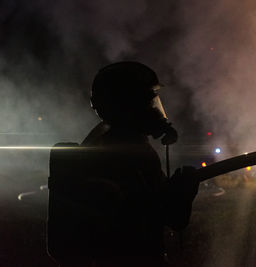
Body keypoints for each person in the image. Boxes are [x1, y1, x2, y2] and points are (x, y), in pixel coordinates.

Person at [47, 61, 199, 267]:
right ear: (130, 106)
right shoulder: (132, 151)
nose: (155, 109)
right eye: (148, 101)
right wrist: (185, 189)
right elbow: (169, 216)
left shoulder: (101, 141)